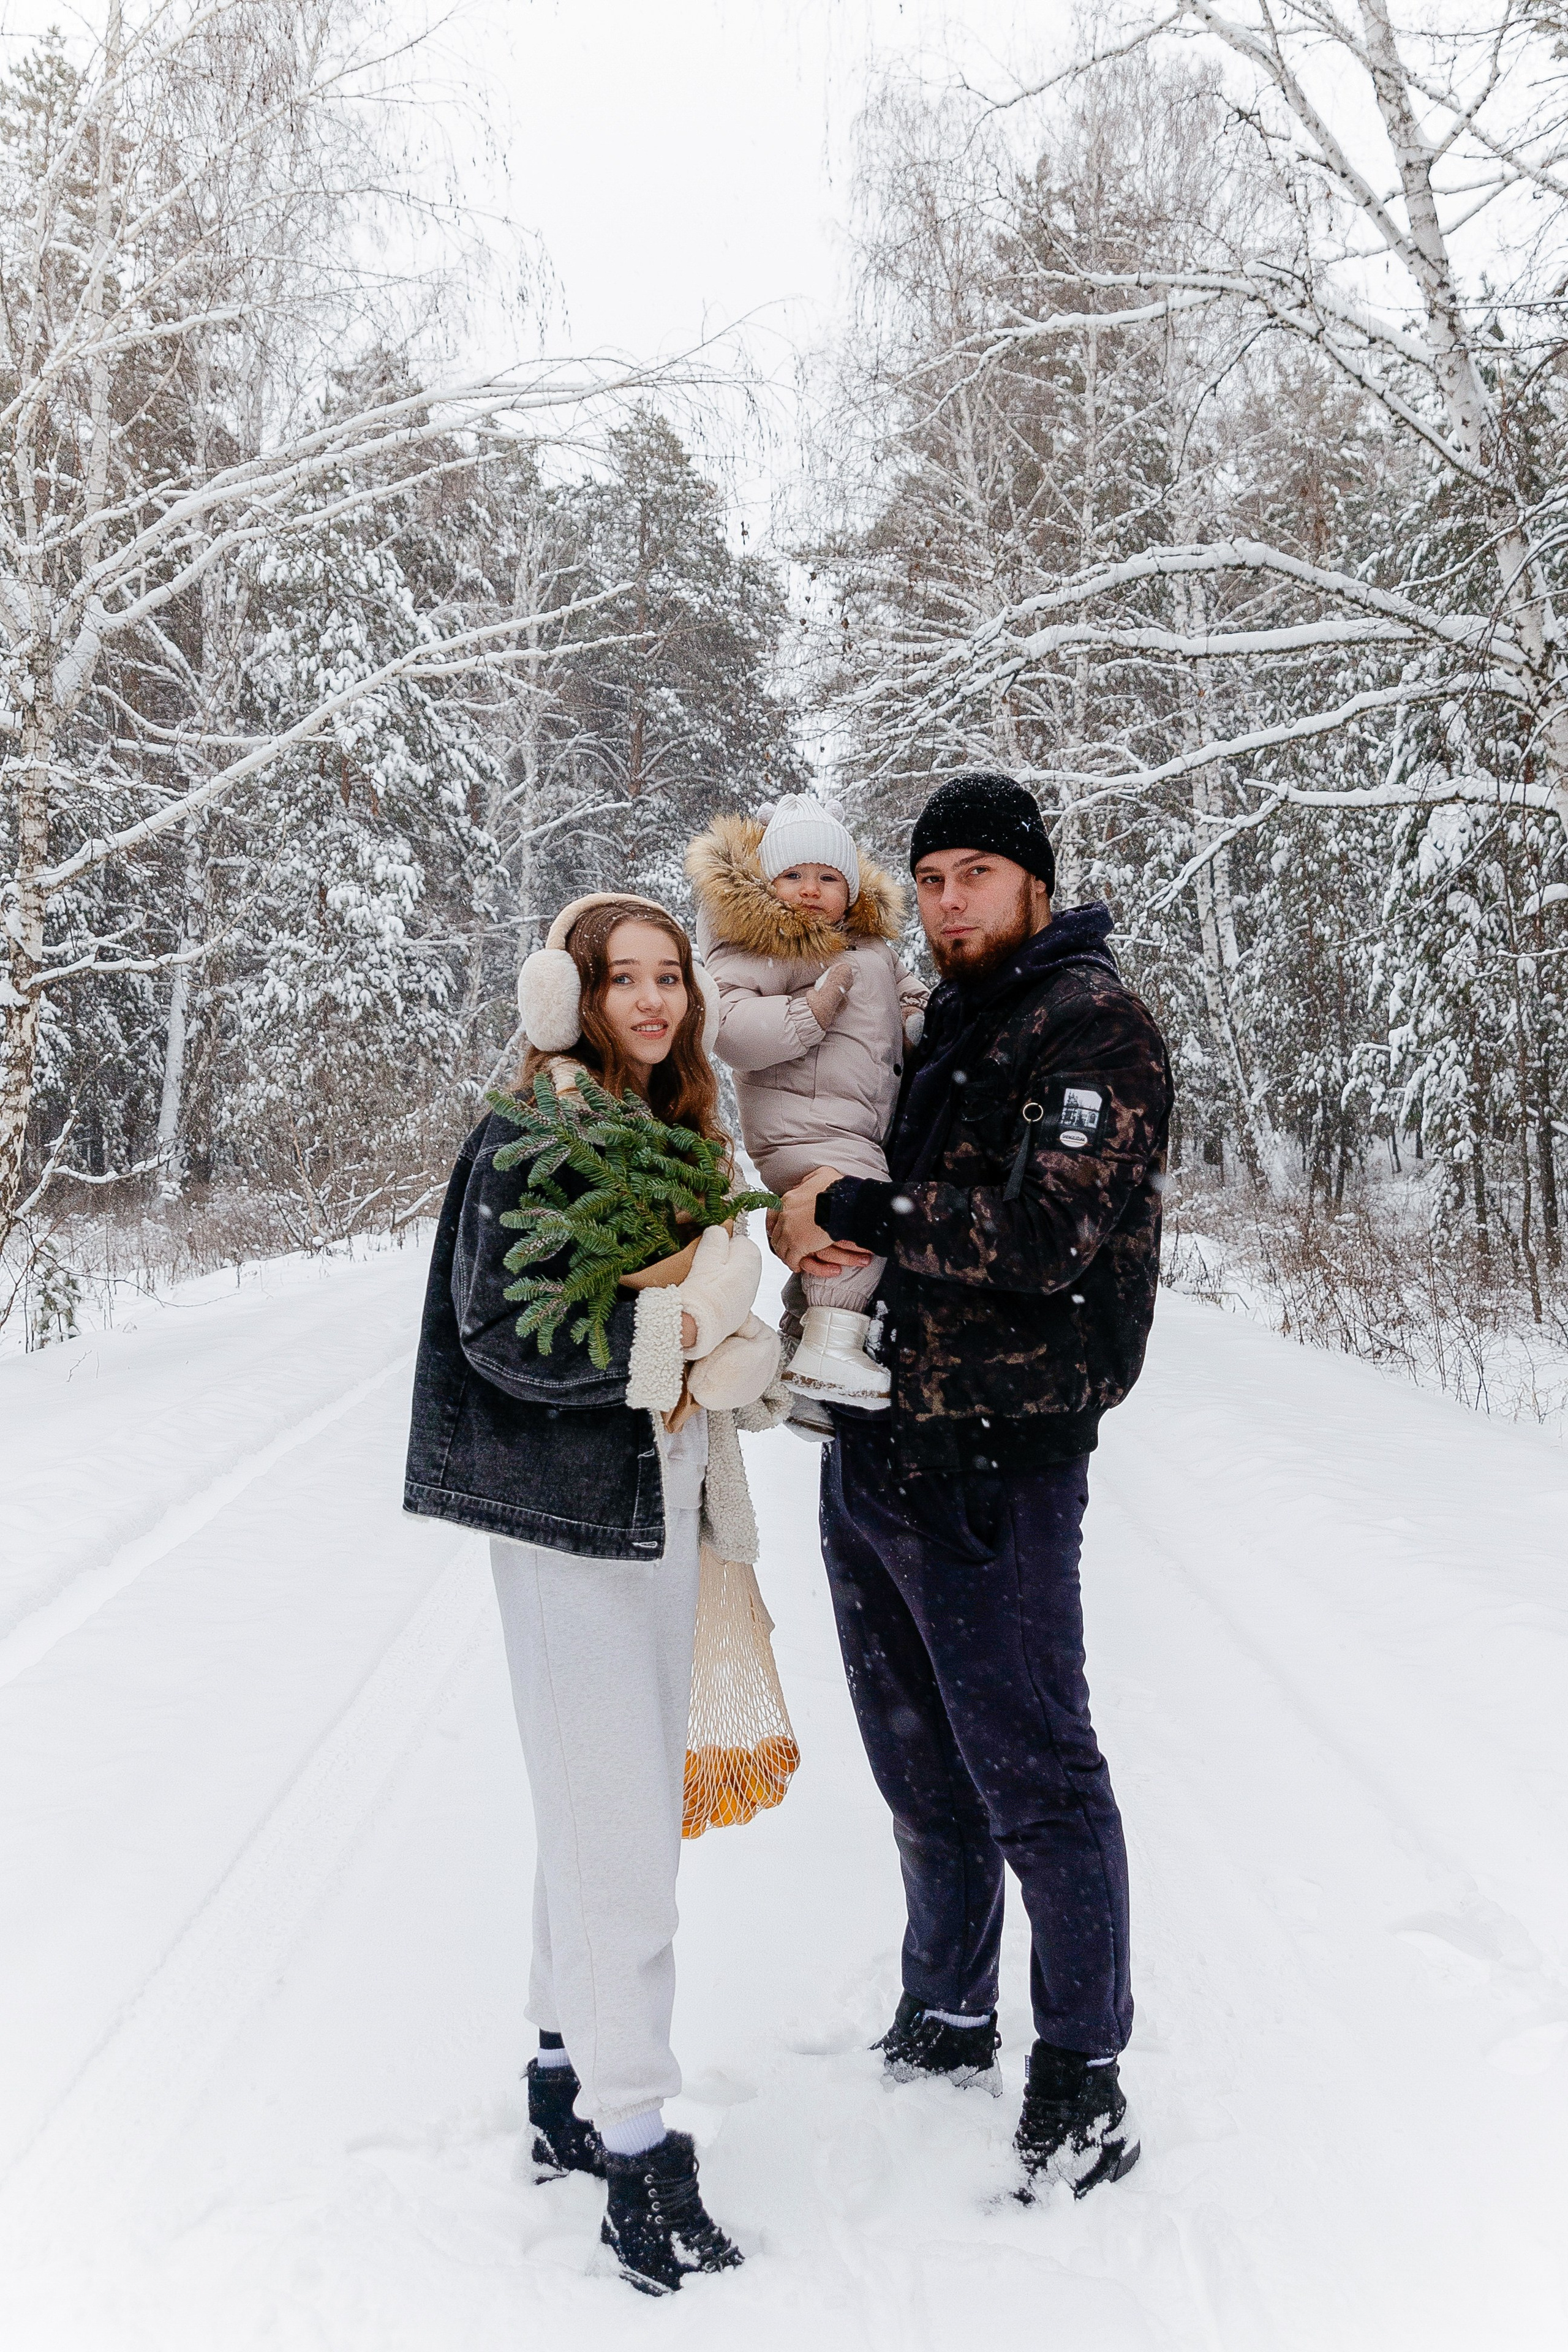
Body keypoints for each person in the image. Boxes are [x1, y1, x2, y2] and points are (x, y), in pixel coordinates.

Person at [771, 772, 1174, 2201]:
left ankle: (1081, 2080)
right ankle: (943, 2015)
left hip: (994, 1467)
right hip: (875, 1445)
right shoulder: (951, 1016)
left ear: (1032, 887)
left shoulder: (1090, 1026)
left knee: (1036, 1778)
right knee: (919, 1775)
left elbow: (1044, 1232)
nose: (947, 901)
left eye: (974, 876)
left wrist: (864, 1212)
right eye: (930, 876)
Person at [404, 892, 782, 2296]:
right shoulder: (529, 1134)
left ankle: (563, 2073)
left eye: (665, 974)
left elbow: (718, 1303)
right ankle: (637, 2147)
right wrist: (671, 1339)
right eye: (617, 977)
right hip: (570, 1523)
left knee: (592, 1805)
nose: (649, 998)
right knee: (623, 1833)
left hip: (663, 1500)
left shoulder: (683, 1131)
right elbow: (496, 1332)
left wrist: (721, 1348)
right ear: (564, 993)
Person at [687, 794, 926, 1419]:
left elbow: (900, 985)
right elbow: (729, 1024)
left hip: (855, 1123)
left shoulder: (869, 946)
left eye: (827, 877)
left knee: (846, 1227)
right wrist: (807, 1014)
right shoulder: (762, 946)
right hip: (805, 1126)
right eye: (792, 876)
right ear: (767, 883)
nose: (810, 890)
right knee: (858, 1221)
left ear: (851, 888)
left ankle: (806, 1362)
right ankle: (830, 1350)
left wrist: (917, 1012)